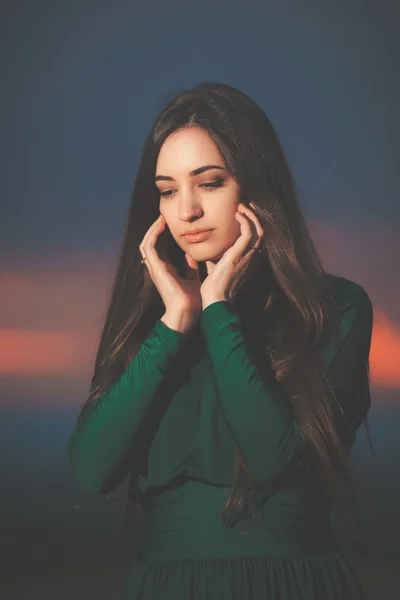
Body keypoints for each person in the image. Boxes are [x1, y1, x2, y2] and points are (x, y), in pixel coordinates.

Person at [67, 82, 374, 599]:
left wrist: (218, 310)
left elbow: (271, 456)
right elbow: (93, 470)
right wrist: (175, 322)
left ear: (255, 188)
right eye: (167, 190)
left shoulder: (333, 308)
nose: (185, 211)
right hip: (166, 584)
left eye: (209, 182)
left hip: (292, 583)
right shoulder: (154, 321)